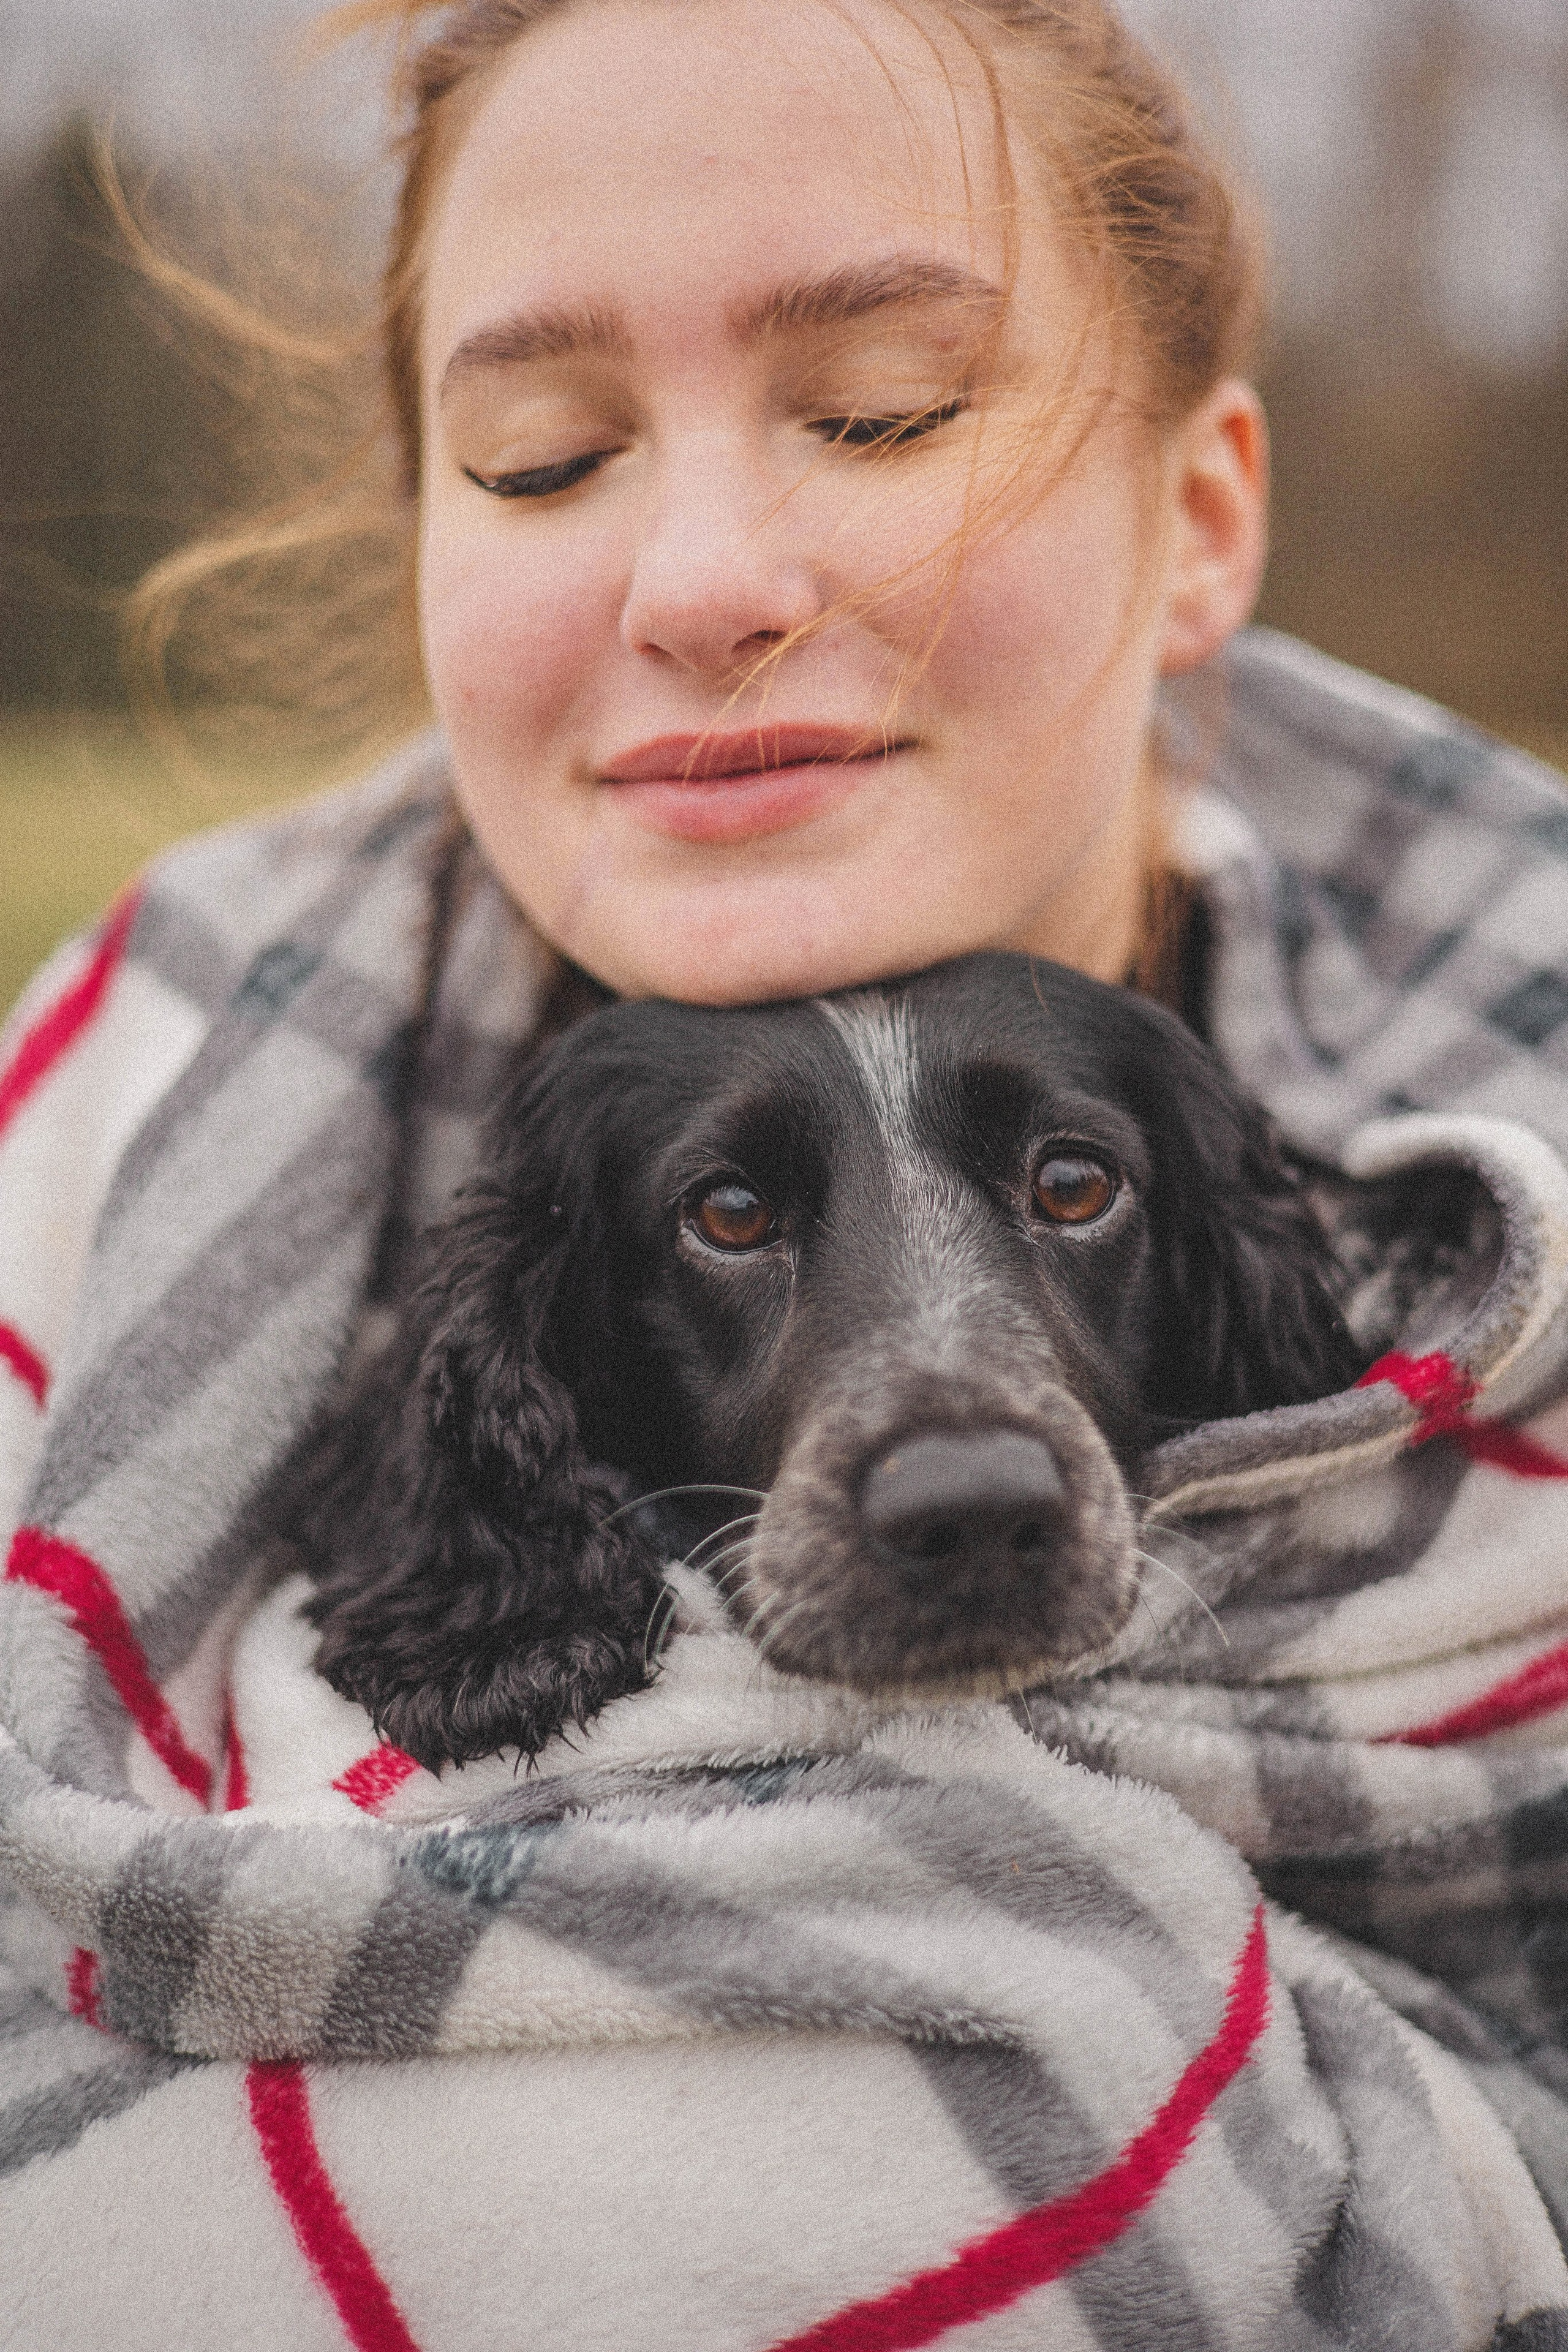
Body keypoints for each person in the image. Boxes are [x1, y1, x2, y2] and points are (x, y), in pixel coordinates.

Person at [3, 3, 1568, 2346]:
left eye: (881, 408)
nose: (706, 579)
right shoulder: (90, 1161)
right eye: (542, 458)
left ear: (1206, 520)